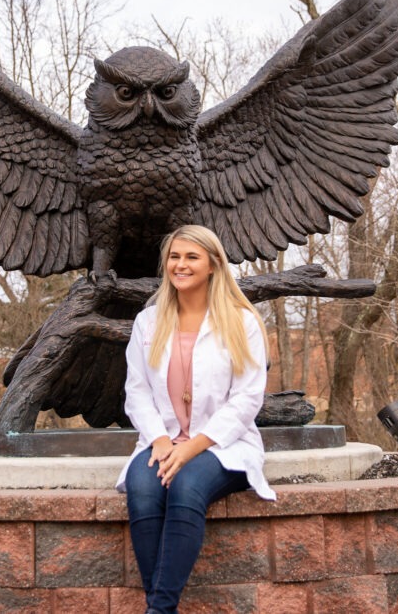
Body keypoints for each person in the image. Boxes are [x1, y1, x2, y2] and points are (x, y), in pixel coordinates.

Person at [114, 224, 276, 614]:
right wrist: (161, 440)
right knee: (143, 488)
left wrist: (192, 449)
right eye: (174, 257)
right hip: (161, 442)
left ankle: (159, 607)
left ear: (213, 265)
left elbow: (247, 398)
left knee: (185, 486)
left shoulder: (243, 322)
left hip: (223, 446)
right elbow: (136, 391)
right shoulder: (147, 322)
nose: (180, 265)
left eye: (191, 257)